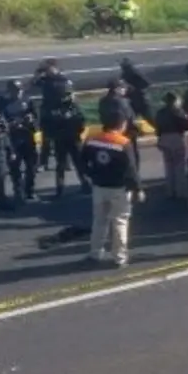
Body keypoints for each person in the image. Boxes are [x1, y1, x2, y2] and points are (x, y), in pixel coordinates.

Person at [80, 111, 144, 268]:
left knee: (99, 221)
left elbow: (82, 161)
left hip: (99, 186)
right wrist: (138, 188)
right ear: (121, 124)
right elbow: (131, 169)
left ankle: (95, 252)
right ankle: (120, 258)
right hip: (119, 188)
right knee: (120, 222)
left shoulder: (92, 139)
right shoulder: (123, 143)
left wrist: (91, 175)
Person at [0, 79, 38, 202]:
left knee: (32, 166)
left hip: (27, 137)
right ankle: (18, 192)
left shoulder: (28, 100)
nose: (17, 93)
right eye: (14, 91)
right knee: (15, 167)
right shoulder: (3, 103)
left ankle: (29, 190)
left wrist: (31, 120)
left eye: (19, 90)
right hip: (12, 139)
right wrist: (10, 125)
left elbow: (36, 117)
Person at [50, 89, 91, 197]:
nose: (71, 96)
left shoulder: (74, 107)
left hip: (74, 139)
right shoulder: (56, 108)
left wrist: (80, 132)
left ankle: (86, 185)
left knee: (80, 163)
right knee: (61, 165)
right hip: (61, 140)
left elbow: (82, 121)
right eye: (68, 95)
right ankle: (60, 189)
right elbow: (50, 123)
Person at [33, 59, 72, 170]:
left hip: (61, 113)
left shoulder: (63, 80)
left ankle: (65, 163)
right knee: (46, 140)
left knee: (63, 140)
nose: (47, 71)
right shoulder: (45, 80)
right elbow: (32, 83)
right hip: (48, 113)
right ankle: (43, 163)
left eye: (48, 68)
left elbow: (69, 96)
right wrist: (38, 72)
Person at [154, 91, 188, 200]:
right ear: (175, 100)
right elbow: (186, 125)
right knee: (179, 166)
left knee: (168, 165)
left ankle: (170, 190)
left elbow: (157, 128)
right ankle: (181, 191)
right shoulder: (178, 111)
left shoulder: (160, 113)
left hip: (164, 138)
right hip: (176, 138)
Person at [98, 79, 140, 164]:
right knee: (130, 157)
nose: (125, 90)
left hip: (108, 133)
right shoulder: (123, 101)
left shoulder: (103, 101)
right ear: (117, 89)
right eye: (123, 88)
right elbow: (130, 117)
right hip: (125, 133)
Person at [120, 58, 154, 126]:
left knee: (149, 118)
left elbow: (146, 83)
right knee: (130, 119)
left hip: (142, 101)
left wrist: (135, 88)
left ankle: (160, 129)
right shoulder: (124, 75)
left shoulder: (135, 73)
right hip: (133, 101)